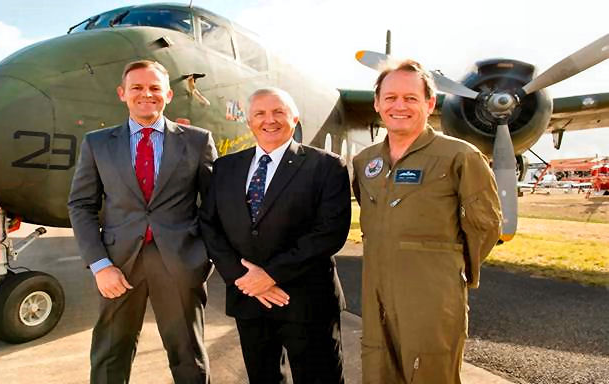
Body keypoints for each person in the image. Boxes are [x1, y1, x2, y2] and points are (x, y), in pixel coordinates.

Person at [351, 60, 501, 384]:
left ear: (430, 103)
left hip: (432, 297)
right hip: (375, 294)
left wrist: (447, 270)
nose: (399, 106)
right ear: (377, 103)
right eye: (390, 98)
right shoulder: (365, 162)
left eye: (410, 97)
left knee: (431, 372)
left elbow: (485, 225)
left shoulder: (460, 156)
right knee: (376, 370)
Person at [68, 60, 217, 384]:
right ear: (122, 93)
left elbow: (214, 206)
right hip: (118, 266)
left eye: (154, 88)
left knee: (188, 356)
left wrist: (202, 256)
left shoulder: (197, 141)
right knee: (110, 355)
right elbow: (81, 205)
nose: (145, 94)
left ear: (167, 94)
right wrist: (99, 264)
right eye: (137, 87)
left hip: (179, 263)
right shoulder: (97, 143)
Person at [201, 87, 351, 384]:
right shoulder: (225, 168)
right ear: (249, 121)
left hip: (307, 302)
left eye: (278, 112)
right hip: (248, 299)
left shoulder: (326, 166)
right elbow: (209, 225)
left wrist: (270, 275)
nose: (269, 120)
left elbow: (329, 233)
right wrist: (241, 277)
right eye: (260, 113)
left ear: (294, 118)